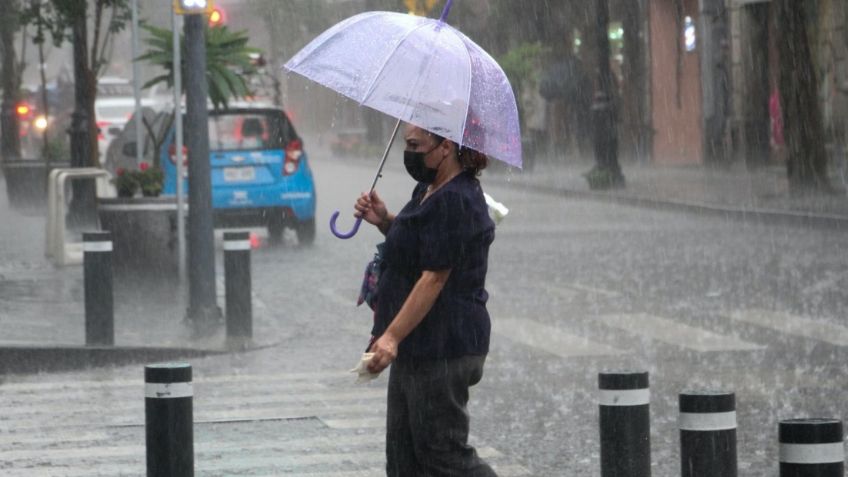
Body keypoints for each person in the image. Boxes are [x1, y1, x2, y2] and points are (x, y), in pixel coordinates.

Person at [353, 123, 497, 476]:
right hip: (418, 346)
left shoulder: (456, 200)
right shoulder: (429, 188)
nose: (410, 152)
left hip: (444, 346)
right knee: (404, 460)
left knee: (443, 456)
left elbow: (433, 278)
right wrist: (384, 219)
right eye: (407, 144)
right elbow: (418, 244)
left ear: (445, 146)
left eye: (416, 144)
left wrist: (391, 337)